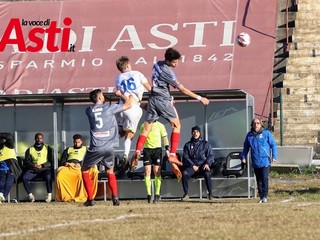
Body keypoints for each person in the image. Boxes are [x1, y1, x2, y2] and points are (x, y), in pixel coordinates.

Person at [131, 48, 210, 177]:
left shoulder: (156, 64)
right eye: (174, 62)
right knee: (177, 125)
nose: (176, 64)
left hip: (152, 99)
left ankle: (138, 151)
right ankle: (172, 154)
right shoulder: (169, 73)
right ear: (168, 60)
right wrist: (200, 98)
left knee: (146, 129)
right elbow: (182, 90)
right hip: (163, 101)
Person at [81, 89, 131, 207]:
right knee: (110, 171)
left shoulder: (88, 110)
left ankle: (90, 199)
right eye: (102, 95)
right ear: (99, 98)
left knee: (84, 170)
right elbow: (128, 104)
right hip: (109, 147)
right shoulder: (110, 108)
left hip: (96, 146)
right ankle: (115, 197)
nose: (103, 97)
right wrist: (121, 95)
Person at [115, 56, 152, 166]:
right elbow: (150, 89)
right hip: (133, 107)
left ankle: (107, 144)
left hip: (121, 108)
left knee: (121, 131)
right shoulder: (137, 74)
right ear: (127, 65)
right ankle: (126, 154)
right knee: (130, 134)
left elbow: (119, 92)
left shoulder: (118, 78)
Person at [241, 117, 278, 203]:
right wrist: (243, 157)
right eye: (254, 123)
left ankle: (265, 196)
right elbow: (246, 147)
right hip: (255, 161)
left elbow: (273, 145)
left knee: (264, 178)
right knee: (259, 180)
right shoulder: (249, 135)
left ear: (261, 124)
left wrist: (274, 156)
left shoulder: (266, 133)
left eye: (257, 123)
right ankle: (261, 196)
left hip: (265, 160)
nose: (256, 125)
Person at [55, 134, 99, 202]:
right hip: (69, 166)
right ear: (73, 142)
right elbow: (62, 160)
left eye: (78, 142)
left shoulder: (86, 149)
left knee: (80, 176)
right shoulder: (68, 149)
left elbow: (89, 159)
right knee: (60, 176)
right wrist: (65, 163)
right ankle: (65, 196)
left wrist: (81, 164)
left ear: (81, 142)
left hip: (80, 166)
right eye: (75, 142)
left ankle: (79, 195)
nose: (76, 144)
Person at [180, 126, 214, 201]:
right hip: (192, 166)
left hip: (203, 166)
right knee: (184, 173)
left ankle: (210, 194)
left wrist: (207, 163)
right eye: (194, 132)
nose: (195, 133)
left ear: (200, 133)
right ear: (191, 133)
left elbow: (211, 156)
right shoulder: (187, 145)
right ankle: (186, 194)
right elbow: (185, 157)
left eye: (197, 132)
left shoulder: (206, 144)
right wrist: (193, 165)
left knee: (207, 173)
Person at [140, 121, 169, 204]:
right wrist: (138, 150)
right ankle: (149, 194)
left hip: (157, 150)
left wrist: (167, 149)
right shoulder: (143, 125)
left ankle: (157, 194)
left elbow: (165, 137)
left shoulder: (160, 125)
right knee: (147, 171)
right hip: (147, 150)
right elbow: (142, 138)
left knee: (157, 172)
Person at [22, 132, 54, 202]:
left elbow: (52, 161)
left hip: (44, 169)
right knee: (25, 178)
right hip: (34, 169)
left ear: (43, 139)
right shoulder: (29, 149)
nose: (39, 140)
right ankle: (30, 196)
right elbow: (26, 161)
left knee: (48, 177)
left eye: (40, 138)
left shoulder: (48, 148)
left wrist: (42, 165)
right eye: (37, 138)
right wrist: (34, 165)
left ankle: (49, 195)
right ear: (35, 139)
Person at [0, 133, 21, 203]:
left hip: (11, 168)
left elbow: (10, 136)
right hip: (1, 169)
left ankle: (3, 197)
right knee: (1, 183)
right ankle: (1, 195)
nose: (2, 140)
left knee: (9, 183)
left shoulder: (9, 145)